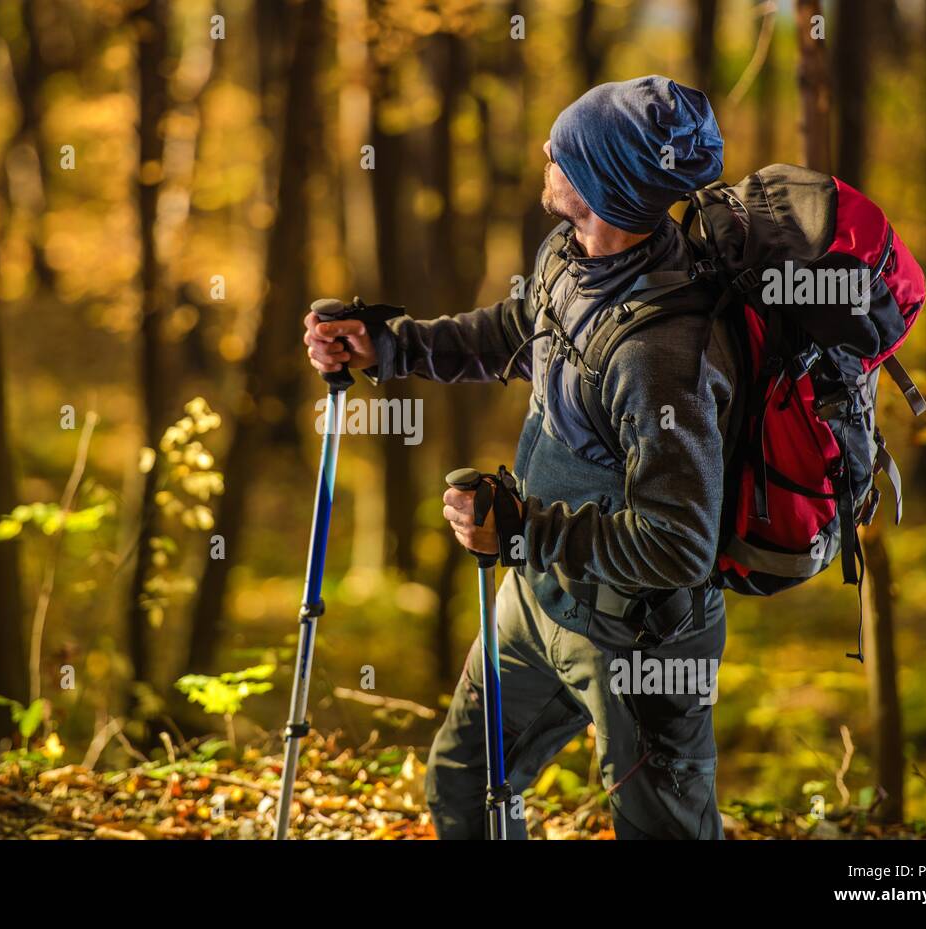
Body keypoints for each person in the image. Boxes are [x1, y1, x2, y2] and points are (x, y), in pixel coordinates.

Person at [302, 75, 736, 839]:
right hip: (537, 600)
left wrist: (522, 530)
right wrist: (394, 344)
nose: (545, 150)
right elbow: (522, 330)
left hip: (637, 639)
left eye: (564, 151)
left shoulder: (662, 353)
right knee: (465, 788)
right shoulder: (570, 257)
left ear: (603, 182)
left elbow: (679, 543)